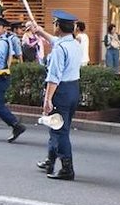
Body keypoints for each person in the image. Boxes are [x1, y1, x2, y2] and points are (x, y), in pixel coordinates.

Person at [31, 11, 83, 180]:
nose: (53, 26)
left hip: (61, 91)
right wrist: (39, 31)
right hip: (73, 89)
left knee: (60, 130)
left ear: (59, 27)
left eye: (54, 23)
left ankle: (67, 168)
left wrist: (48, 99)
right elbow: (54, 40)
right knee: (58, 128)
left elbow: (54, 77)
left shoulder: (60, 49)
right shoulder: (74, 44)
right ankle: (50, 160)